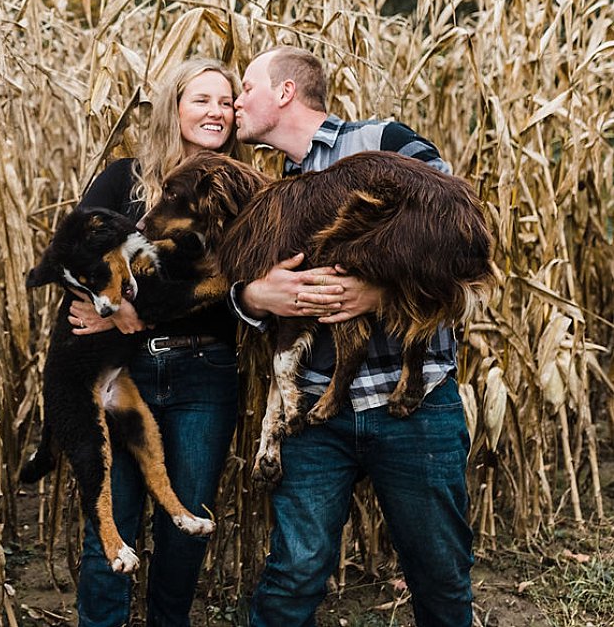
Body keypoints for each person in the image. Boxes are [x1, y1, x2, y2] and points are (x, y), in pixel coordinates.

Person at [229, 46, 474, 626]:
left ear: (285, 93)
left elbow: (458, 237)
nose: (236, 103)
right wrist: (253, 296)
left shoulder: (384, 142)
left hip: (413, 402)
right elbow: (249, 296)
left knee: (439, 573)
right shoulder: (273, 191)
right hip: (315, 411)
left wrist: (380, 292)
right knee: (293, 573)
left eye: (245, 88)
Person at [66, 58, 243, 626]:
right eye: (202, 99)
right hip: (124, 374)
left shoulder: (238, 191)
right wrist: (113, 314)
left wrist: (125, 311)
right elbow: (73, 253)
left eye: (226, 102)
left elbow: (227, 286)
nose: (216, 111)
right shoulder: (125, 179)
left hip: (205, 372)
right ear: (174, 107)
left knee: (185, 524)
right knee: (109, 527)